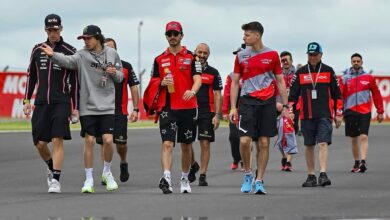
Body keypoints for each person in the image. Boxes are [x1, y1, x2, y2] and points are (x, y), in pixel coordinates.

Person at [39, 25, 124, 193]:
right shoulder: (82, 54)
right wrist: (52, 55)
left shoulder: (112, 54)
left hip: (107, 105)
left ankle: (107, 172)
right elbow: (68, 61)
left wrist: (114, 72)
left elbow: (120, 77)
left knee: (107, 140)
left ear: (98, 38)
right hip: (87, 106)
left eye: (88, 38)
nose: (85, 41)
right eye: (83, 39)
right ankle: (89, 178)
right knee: (90, 141)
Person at [229, 21, 289, 194]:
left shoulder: (272, 54)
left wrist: (285, 105)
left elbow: (279, 80)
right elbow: (234, 82)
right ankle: (248, 173)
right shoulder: (241, 55)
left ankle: (260, 179)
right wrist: (233, 107)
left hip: (267, 102)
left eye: (247, 34)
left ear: (257, 35)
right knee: (245, 141)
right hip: (247, 101)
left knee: (264, 142)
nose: (244, 37)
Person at [144, 21, 202, 194]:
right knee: (167, 143)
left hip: (188, 107)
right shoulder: (159, 59)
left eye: (175, 34)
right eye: (169, 34)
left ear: (181, 36)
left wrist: (192, 91)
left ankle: (184, 178)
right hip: (168, 107)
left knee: (186, 145)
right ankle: (166, 178)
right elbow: (153, 82)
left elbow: (198, 78)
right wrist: (161, 82)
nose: (172, 37)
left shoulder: (192, 57)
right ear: (166, 37)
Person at [23, 14, 78, 193]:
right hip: (41, 103)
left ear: (61, 29)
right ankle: (50, 165)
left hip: (61, 102)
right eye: (49, 30)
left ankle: (56, 179)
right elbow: (31, 76)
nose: (53, 33)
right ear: (45, 30)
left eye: (56, 30)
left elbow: (75, 82)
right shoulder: (37, 49)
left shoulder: (70, 51)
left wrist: (75, 107)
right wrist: (26, 100)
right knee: (39, 143)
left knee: (57, 140)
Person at [288, 42, 343, 187]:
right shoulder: (300, 72)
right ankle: (311, 175)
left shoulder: (328, 71)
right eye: (310, 55)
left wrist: (338, 114)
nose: (312, 57)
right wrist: (291, 112)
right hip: (306, 115)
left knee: (323, 143)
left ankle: (323, 174)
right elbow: (292, 96)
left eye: (315, 55)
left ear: (321, 55)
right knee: (309, 145)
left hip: (324, 114)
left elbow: (338, 95)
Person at [96, 38, 140, 183]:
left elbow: (134, 87)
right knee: (104, 142)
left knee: (120, 143)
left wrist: (136, 109)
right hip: (101, 110)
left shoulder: (126, 66)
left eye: (111, 48)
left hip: (119, 112)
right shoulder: (96, 66)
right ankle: (105, 172)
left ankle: (123, 162)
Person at [339, 53, 384, 173]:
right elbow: (340, 96)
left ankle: (363, 162)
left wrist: (380, 111)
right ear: (351, 62)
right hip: (350, 111)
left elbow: (376, 94)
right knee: (354, 139)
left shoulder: (369, 77)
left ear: (362, 62)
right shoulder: (345, 78)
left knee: (364, 136)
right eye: (354, 61)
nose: (356, 63)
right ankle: (356, 162)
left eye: (358, 61)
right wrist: (339, 112)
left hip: (365, 111)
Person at [188, 43, 223, 186]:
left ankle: (202, 174)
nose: (202, 55)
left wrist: (217, 115)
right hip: (189, 109)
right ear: (194, 53)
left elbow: (217, 95)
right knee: (186, 142)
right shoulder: (187, 70)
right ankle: (192, 164)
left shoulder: (214, 72)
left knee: (205, 143)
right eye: (199, 52)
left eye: (205, 53)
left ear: (208, 55)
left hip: (206, 112)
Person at [222, 45, 246, 170]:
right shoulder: (232, 75)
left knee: (246, 137)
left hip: (248, 107)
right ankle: (236, 158)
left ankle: (245, 160)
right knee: (233, 136)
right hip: (234, 108)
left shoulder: (251, 73)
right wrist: (225, 111)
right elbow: (227, 93)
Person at [279, 51, 297, 172]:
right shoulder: (277, 73)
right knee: (281, 133)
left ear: (291, 60)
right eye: (282, 60)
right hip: (280, 106)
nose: (285, 62)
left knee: (289, 132)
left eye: (287, 60)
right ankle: (284, 157)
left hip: (293, 105)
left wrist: (294, 108)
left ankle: (289, 161)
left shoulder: (297, 74)